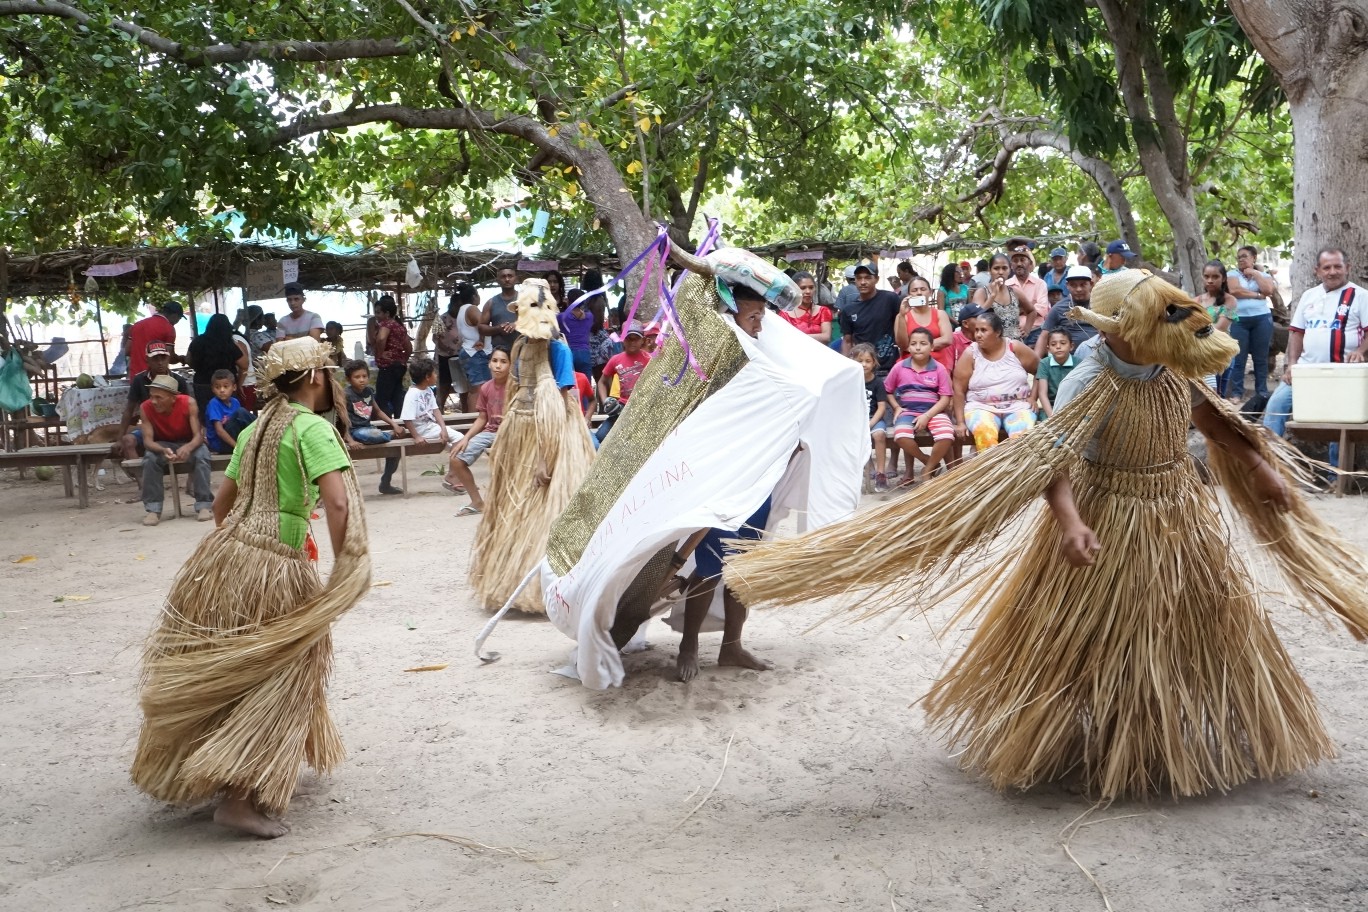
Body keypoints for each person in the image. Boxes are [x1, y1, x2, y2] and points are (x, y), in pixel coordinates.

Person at [729, 269, 1368, 801]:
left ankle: (1154, 738)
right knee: (1101, 636)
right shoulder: (1091, 381)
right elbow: (1050, 459)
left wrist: (1257, 466)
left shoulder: (1175, 366)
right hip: (1106, 514)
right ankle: (1099, 739)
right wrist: (1070, 521)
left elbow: (1214, 418)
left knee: (1181, 623)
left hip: (1175, 512)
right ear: (1125, 333)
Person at [131, 337, 370, 838]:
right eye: (327, 373)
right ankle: (240, 798)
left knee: (233, 667)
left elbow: (221, 507)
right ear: (312, 378)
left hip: (225, 559)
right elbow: (340, 505)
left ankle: (231, 768)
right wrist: (342, 572)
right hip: (276, 564)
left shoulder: (255, 428)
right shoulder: (313, 429)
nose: (331, 381)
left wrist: (239, 555)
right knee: (276, 674)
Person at [470, 281, 595, 613]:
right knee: (513, 508)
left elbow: (559, 403)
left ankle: (554, 590)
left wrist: (546, 457)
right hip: (519, 433)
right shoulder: (521, 346)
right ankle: (510, 582)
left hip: (552, 438)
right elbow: (514, 391)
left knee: (547, 511)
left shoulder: (558, 350)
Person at [674, 285, 777, 681]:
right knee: (710, 565)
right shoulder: (711, 363)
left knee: (744, 567)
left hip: (757, 475)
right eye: (753, 319)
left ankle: (731, 647)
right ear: (731, 317)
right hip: (723, 475)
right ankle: (688, 645)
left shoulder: (761, 358)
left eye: (761, 319)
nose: (759, 328)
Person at [1264, 247, 1368, 449]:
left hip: (1344, 373)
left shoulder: (1361, 296)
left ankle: (1335, 476)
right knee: (1276, 405)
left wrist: (1361, 351)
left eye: (1337, 266)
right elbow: (1297, 333)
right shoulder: (1309, 296)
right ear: (1317, 271)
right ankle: (1269, 461)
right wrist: (1292, 364)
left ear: (1347, 268)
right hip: (1307, 371)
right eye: (1326, 267)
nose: (1332, 272)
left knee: (1340, 421)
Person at [953, 311, 1040, 452]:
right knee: (985, 434)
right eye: (976, 330)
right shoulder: (971, 354)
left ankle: (1015, 472)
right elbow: (958, 389)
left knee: (1021, 438)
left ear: (998, 332)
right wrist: (960, 422)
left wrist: (1033, 397)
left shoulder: (1014, 348)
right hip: (981, 407)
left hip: (1018, 405)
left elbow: (1040, 370)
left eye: (983, 330)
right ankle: (992, 472)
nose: (978, 335)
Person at [138, 373, 213, 525]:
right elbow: (147, 441)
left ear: (173, 397)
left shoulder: (188, 403)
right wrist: (162, 450)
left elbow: (198, 436)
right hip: (164, 443)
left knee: (202, 456)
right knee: (150, 459)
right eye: (152, 396)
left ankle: (204, 505)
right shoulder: (145, 408)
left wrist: (188, 447)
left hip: (188, 441)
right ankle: (153, 509)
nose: (153, 401)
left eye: (159, 397)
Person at [886, 327, 955, 486]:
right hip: (908, 411)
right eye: (913, 344)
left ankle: (928, 469)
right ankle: (926, 460)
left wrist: (927, 416)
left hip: (933, 412)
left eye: (923, 343)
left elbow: (945, 398)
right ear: (908, 347)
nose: (917, 347)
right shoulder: (899, 367)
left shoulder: (939, 368)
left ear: (932, 347)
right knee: (901, 435)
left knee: (946, 434)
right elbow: (888, 391)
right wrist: (897, 407)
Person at [448, 348, 510, 516]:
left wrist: (507, 419)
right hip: (490, 432)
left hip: (512, 433)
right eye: (495, 361)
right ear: (489, 364)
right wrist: (466, 438)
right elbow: (482, 418)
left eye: (503, 362)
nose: (498, 366)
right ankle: (477, 502)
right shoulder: (485, 388)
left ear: (510, 366)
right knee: (456, 459)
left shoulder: (516, 386)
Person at [118, 341, 190, 483]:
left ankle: (192, 485)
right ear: (147, 360)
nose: (160, 363)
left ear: (169, 359)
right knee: (128, 440)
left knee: (199, 446)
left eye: (163, 358)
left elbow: (189, 409)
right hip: (149, 429)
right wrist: (119, 437)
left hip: (175, 429)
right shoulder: (140, 380)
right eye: (155, 359)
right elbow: (129, 410)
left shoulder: (178, 380)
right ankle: (143, 485)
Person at [340, 360, 404, 495]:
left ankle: (386, 483)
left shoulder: (368, 391)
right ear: (348, 379)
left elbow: (379, 411)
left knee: (395, 450)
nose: (362, 380)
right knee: (369, 435)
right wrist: (350, 440)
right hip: (354, 432)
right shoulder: (345, 394)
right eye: (357, 377)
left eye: (364, 376)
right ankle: (389, 435)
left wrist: (394, 424)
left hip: (368, 428)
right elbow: (341, 419)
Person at [1224, 244, 1278, 402]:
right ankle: (1236, 393)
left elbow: (1268, 290)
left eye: (1244, 256)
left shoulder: (1264, 275)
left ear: (1253, 258)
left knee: (1260, 358)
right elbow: (1234, 291)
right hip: (1239, 320)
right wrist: (1257, 295)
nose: (1241, 259)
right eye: (1239, 257)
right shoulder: (1232, 274)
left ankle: (1261, 392)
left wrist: (1254, 273)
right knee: (1238, 357)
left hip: (1262, 319)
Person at [596, 322, 652, 443]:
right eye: (628, 338)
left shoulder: (649, 359)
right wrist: (606, 400)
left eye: (635, 339)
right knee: (601, 436)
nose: (632, 342)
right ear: (623, 339)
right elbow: (601, 382)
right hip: (621, 407)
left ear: (642, 340)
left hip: (642, 406)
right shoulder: (616, 359)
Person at [840, 262, 901, 370]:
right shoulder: (848, 309)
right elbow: (847, 341)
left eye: (868, 278)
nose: (863, 282)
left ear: (876, 279)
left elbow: (902, 325)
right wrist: (846, 366)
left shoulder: (890, 299)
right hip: (863, 367)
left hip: (889, 367)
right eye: (859, 278)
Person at [187, 313, 246, 419]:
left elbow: (189, 361)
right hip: (226, 385)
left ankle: (210, 434)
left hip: (202, 383)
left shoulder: (197, 341)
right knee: (228, 416)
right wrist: (239, 384)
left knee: (207, 416)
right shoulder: (229, 344)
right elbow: (244, 365)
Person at [1033, 265, 1099, 358]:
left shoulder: (1101, 305)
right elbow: (1044, 336)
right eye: (1073, 285)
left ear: (1091, 284)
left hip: (1100, 356)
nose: (1078, 289)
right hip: (1069, 360)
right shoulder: (1058, 308)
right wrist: (1036, 362)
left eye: (1083, 284)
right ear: (1067, 286)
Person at [1195, 260, 1239, 394]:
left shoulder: (1230, 300)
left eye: (1215, 277)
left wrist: (1194, 328)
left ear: (1224, 278)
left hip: (1220, 354)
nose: (1210, 280)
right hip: (1198, 354)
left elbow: (1219, 329)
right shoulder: (1195, 301)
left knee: (1217, 400)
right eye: (1206, 276)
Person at [852, 342, 891, 492]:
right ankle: (863, 471)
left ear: (874, 362)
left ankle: (881, 473)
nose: (864, 365)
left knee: (879, 435)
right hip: (855, 421)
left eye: (868, 361)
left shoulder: (878, 382)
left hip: (874, 419)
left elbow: (882, 407)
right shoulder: (850, 382)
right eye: (860, 361)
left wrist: (871, 423)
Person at [895, 275, 954, 372]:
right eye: (914, 290)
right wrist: (902, 315)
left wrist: (916, 346)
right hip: (909, 368)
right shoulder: (902, 316)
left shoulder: (940, 314)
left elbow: (947, 339)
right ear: (909, 294)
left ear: (930, 292)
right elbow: (903, 345)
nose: (919, 293)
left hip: (937, 366)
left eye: (923, 289)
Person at [447, 282, 487, 412]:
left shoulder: (461, 311)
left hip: (468, 351)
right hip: (475, 352)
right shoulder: (471, 309)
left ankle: (473, 420)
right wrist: (481, 339)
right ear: (474, 296)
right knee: (478, 389)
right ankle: (474, 420)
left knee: (474, 389)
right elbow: (483, 324)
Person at [372, 294, 412, 421]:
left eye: (378, 312)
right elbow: (409, 347)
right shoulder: (399, 326)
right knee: (397, 397)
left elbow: (381, 338)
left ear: (387, 313)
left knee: (382, 399)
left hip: (387, 366)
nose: (376, 316)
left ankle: (385, 425)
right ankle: (401, 424)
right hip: (399, 366)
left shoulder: (386, 324)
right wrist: (403, 360)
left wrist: (380, 354)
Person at [1004, 240, 1049, 346]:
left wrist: (1021, 310)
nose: (1019, 263)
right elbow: (1005, 310)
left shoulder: (1040, 284)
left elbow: (1042, 308)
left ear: (1029, 264)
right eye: (1015, 261)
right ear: (1011, 265)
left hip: (1035, 332)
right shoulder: (1005, 285)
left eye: (1022, 260)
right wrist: (1030, 309)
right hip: (1011, 334)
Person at [970, 253, 1025, 341]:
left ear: (1009, 270)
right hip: (993, 346)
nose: (1000, 272)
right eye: (996, 268)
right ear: (990, 270)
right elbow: (975, 318)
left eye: (1004, 268)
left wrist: (1026, 329)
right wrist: (992, 297)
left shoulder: (1014, 292)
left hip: (1015, 346)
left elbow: (1031, 311)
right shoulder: (982, 293)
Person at [399, 357, 450, 446]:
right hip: (422, 430)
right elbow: (406, 418)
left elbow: (435, 410)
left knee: (452, 440)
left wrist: (443, 428)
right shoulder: (412, 394)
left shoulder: (428, 390)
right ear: (427, 377)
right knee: (459, 438)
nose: (436, 375)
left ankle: (456, 458)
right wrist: (416, 436)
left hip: (431, 426)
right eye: (434, 373)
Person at [204, 369, 255, 454]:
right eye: (217, 387)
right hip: (221, 444)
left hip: (234, 437)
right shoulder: (214, 404)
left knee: (242, 414)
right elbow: (219, 431)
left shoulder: (235, 402)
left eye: (226, 386)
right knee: (241, 412)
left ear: (234, 387)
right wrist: (237, 447)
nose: (222, 390)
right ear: (212, 389)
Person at [128, 302, 184, 378]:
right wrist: (181, 359)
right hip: (155, 378)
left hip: (135, 377)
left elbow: (127, 351)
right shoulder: (168, 328)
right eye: (179, 319)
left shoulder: (137, 325)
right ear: (175, 315)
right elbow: (170, 358)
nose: (177, 322)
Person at [1033, 330, 1076, 420]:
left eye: (1063, 343)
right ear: (1048, 349)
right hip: (1051, 407)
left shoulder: (1079, 363)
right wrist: (1052, 417)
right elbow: (1042, 393)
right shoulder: (1044, 363)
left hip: (1073, 407)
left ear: (1071, 346)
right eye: (1053, 344)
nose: (1058, 347)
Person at [434, 293, 466, 411]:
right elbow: (435, 338)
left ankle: (466, 411)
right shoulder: (441, 318)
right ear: (451, 305)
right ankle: (440, 410)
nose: (458, 308)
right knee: (444, 385)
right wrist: (445, 348)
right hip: (444, 357)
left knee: (463, 386)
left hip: (460, 355)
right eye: (456, 305)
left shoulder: (463, 318)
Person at [780, 271, 832, 343]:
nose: (808, 291)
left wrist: (797, 337)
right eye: (803, 288)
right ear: (794, 289)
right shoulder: (785, 314)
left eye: (811, 287)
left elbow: (826, 337)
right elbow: (784, 338)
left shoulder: (823, 311)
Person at [481, 266, 521, 354]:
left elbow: (535, 321)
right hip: (500, 354)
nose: (507, 279)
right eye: (503, 276)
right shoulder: (491, 303)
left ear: (516, 279)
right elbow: (481, 327)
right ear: (497, 280)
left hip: (523, 351)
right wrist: (498, 329)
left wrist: (516, 324)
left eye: (510, 276)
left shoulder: (525, 299)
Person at [558, 287, 596, 376]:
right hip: (584, 354)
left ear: (568, 301)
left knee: (571, 386)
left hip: (569, 353)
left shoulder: (561, 317)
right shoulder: (590, 316)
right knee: (586, 383)